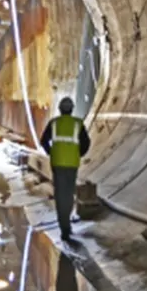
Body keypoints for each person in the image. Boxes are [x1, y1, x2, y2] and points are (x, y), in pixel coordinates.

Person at [40, 97, 91, 242]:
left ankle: (64, 227)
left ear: (60, 109)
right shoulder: (78, 124)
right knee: (69, 194)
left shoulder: (54, 123)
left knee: (60, 194)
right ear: (72, 109)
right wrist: (78, 153)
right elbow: (86, 143)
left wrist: (51, 152)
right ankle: (66, 224)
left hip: (57, 163)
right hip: (72, 164)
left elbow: (43, 141)